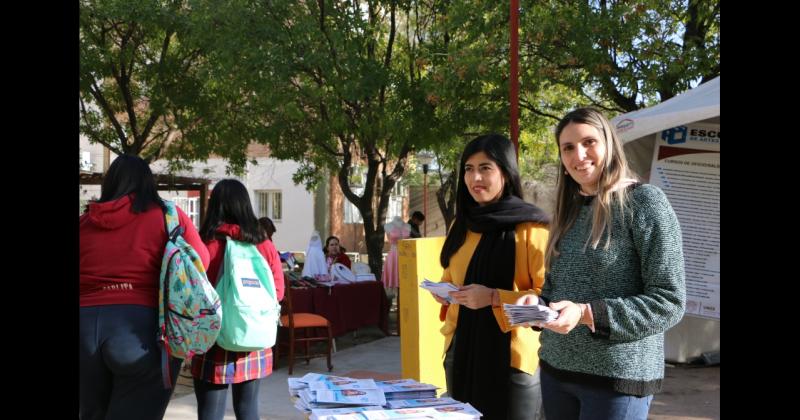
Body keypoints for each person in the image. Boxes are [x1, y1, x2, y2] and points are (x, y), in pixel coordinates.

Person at [517, 107, 686, 420]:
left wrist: (586, 313)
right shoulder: (569, 211)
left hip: (616, 381)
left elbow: (669, 302)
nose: (579, 155)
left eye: (589, 142)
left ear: (609, 144)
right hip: (556, 372)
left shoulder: (645, 203)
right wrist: (537, 304)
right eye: (568, 147)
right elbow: (556, 288)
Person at [428, 134, 550, 420]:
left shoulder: (532, 227)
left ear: (506, 173)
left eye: (485, 168)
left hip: (511, 361)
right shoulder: (462, 224)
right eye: (468, 169)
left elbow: (547, 306)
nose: (475, 178)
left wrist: (494, 298)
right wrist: (445, 292)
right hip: (462, 354)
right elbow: (452, 278)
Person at [80, 154, 210, 420]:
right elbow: (200, 262)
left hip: (83, 330)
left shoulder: (84, 223)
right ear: (147, 183)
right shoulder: (168, 216)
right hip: (141, 330)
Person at [190, 179, 285, 420]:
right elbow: (278, 292)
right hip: (253, 335)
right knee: (248, 410)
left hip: (213, 339)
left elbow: (194, 293)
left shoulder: (206, 244)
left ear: (215, 207)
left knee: (210, 413)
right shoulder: (263, 245)